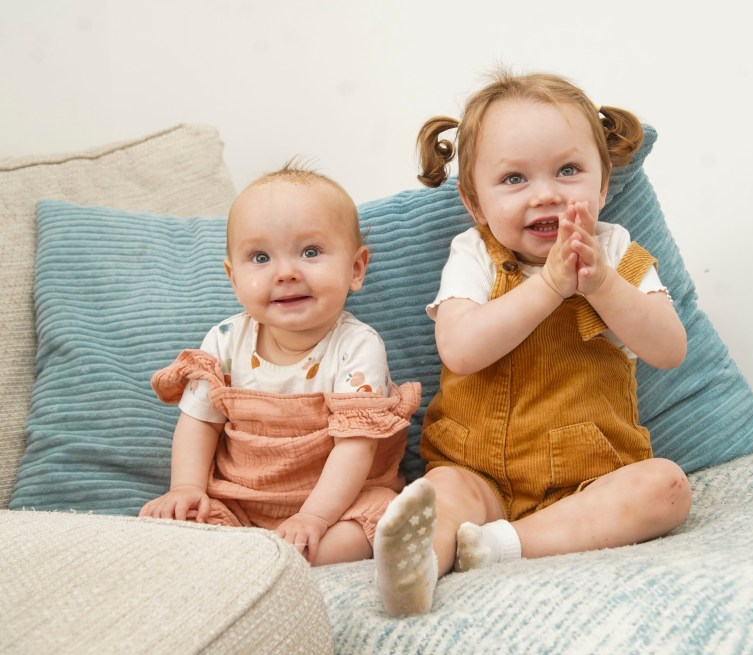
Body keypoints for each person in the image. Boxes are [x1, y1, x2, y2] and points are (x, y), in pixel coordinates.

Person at [373, 70, 692, 616]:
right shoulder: (472, 255)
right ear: (476, 204)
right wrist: (548, 287)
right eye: (514, 179)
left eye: (568, 170)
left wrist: (603, 286)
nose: (546, 193)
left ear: (602, 187)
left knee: (666, 488)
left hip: (591, 476)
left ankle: (498, 547)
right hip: (479, 471)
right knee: (440, 494)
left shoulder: (613, 251)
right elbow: (461, 349)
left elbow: (669, 349)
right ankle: (415, 566)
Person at [139, 162, 421, 566]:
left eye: (310, 252)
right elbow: (199, 421)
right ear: (233, 278)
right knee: (180, 526)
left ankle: (279, 560)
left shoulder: (357, 346)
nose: (286, 273)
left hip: (338, 503)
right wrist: (186, 487)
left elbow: (354, 449)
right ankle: (248, 554)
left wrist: (314, 517)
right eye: (260, 257)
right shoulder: (223, 340)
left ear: (355, 269)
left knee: (372, 523)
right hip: (240, 501)